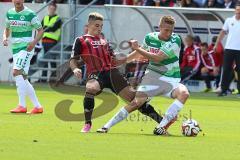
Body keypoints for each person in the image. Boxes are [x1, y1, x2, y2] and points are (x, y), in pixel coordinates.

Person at [69, 12, 163, 133]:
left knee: (135, 101)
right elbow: (73, 59)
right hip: (96, 74)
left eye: (101, 26)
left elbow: (114, 61)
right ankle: (87, 123)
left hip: (112, 73)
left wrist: (133, 55)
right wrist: (75, 68)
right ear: (89, 25)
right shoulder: (81, 40)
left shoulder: (104, 41)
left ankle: (162, 122)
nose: (99, 28)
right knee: (91, 88)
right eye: (97, 25)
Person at [97, 15, 189, 135]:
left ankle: (161, 127)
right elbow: (138, 54)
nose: (169, 33)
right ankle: (106, 127)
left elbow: (158, 58)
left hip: (171, 79)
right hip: (152, 77)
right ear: (159, 27)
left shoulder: (175, 39)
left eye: (171, 30)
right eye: (166, 30)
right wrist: (122, 61)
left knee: (184, 94)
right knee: (136, 103)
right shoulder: (150, 38)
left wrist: (138, 48)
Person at [2, 0, 44, 114]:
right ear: (12, 0)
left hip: (26, 48)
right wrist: (5, 38)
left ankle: (22, 105)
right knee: (23, 77)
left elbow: (40, 30)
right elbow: (7, 29)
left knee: (16, 72)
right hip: (15, 49)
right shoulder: (10, 13)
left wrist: (33, 42)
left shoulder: (30, 14)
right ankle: (37, 106)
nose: (18, 1)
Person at [214, 3, 240, 97]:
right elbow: (222, 32)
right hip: (229, 48)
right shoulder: (229, 20)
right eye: (237, 10)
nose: (238, 12)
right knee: (226, 70)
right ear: (235, 10)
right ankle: (224, 90)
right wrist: (216, 44)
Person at [39, 2, 62, 82]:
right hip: (44, 41)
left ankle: (53, 79)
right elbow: (40, 28)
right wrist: (47, 28)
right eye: (50, 8)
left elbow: (54, 28)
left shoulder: (58, 18)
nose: (51, 10)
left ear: (55, 9)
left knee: (52, 61)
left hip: (52, 42)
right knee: (44, 61)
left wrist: (45, 28)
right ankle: (43, 78)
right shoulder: (45, 17)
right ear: (48, 8)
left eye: (53, 9)